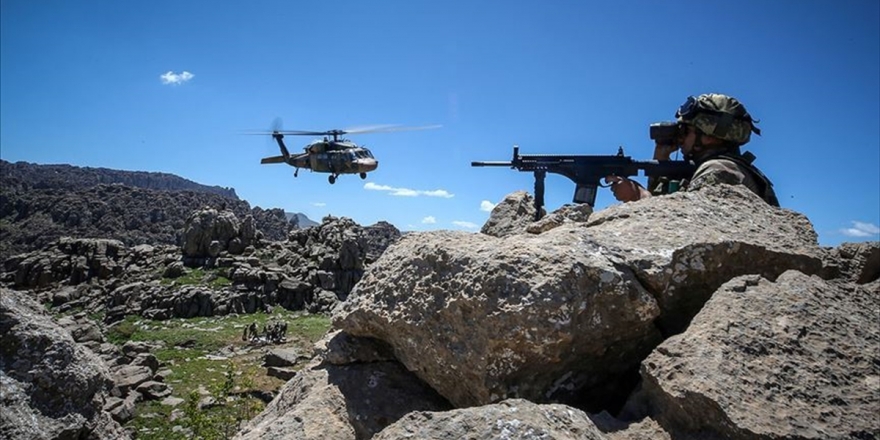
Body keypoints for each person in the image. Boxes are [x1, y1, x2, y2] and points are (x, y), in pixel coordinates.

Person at [606, 93, 779, 206]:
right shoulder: (719, 168)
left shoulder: (720, 170)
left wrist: (638, 196)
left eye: (686, 131)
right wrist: (661, 158)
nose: (680, 138)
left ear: (710, 137)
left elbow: (686, 225)